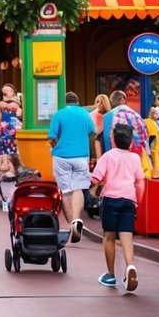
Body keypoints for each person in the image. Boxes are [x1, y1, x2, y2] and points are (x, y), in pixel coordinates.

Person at [91, 123, 146, 292]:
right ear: (130, 142)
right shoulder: (135, 158)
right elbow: (140, 182)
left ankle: (110, 274)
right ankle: (130, 267)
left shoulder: (108, 156)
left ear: (113, 140)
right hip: (129, 200)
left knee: (109, 237)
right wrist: (138, 200)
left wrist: (94, 189)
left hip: (110, 199)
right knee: (126, 236)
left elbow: (95, 178)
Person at [47, 91, 97, 241]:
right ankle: (76, 219)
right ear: (77, 101)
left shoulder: (59, 114)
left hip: (61, 156)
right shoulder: (85, 114)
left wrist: (55, 147)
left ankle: (71, 225)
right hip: (81, 156)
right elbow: (92, 132)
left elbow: (51, 137)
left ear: (65, 102)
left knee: (66, 191)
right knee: (78, 188)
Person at [98, 90, 151, 174]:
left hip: (112, 163)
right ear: (122, 100)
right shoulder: (136, 116)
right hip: (134, 160)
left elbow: (99, 140)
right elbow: (144, 139)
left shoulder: (105, 118)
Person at [0, 83, 23, 176]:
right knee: (3, 152)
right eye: (6, 91)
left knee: (15, 152)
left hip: (15, 130)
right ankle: (3, 171)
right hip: (5, 131)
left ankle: (15, 170)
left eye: (10, 90)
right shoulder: (2, 103)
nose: (8, 92)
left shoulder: (17, 103)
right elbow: (5, 105)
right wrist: (11, 106)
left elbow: (19, 113)